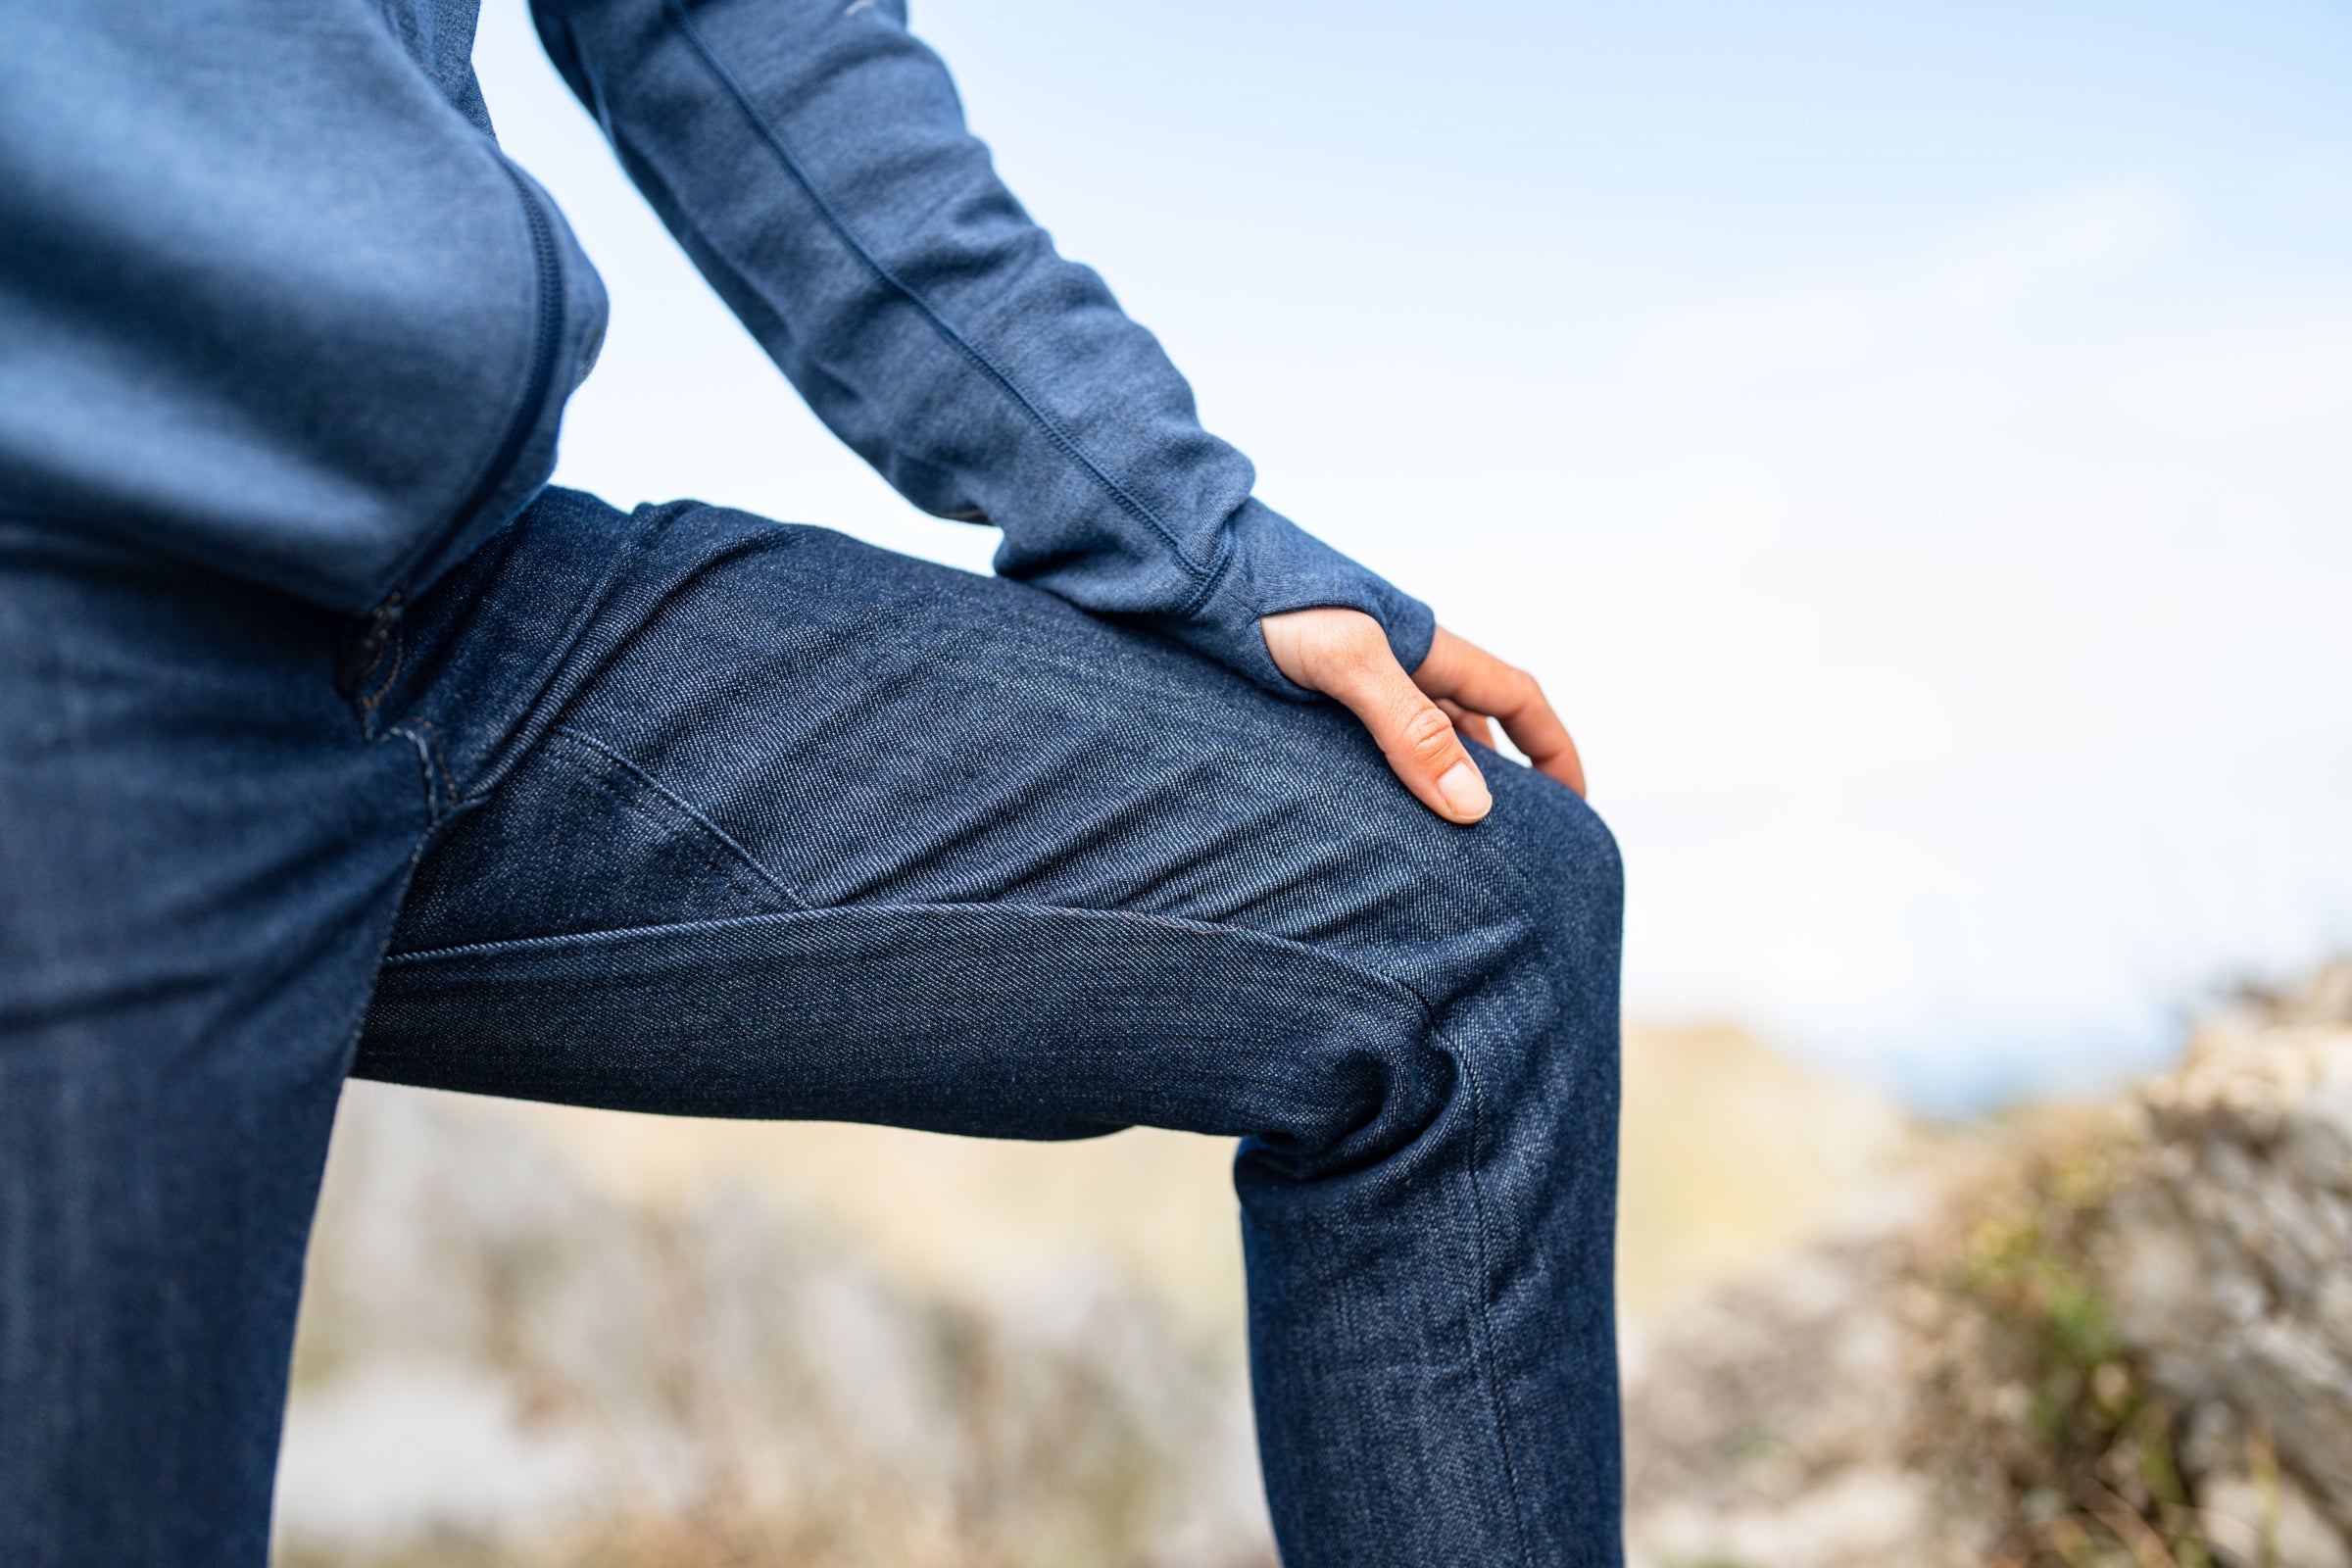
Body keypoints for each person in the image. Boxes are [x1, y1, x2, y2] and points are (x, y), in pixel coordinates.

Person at [0, 1, 1623, 1563]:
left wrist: (1181, 524)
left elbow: (729, 20)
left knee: (1469, 914)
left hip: (447, 595)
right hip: (63, 594)